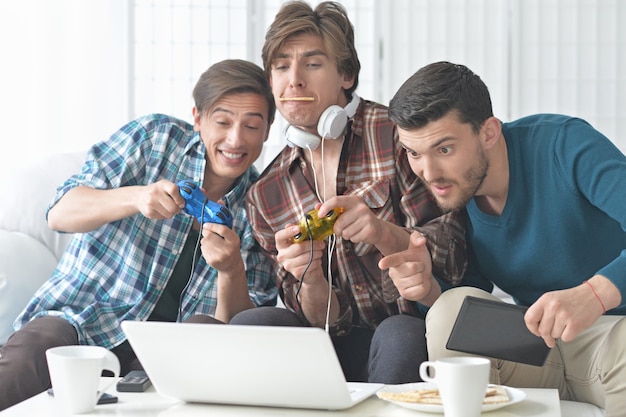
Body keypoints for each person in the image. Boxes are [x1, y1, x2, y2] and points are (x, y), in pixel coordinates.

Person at [0, 59, 278, 411]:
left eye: (252, 126)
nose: (235, 140)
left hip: (171, 353)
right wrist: (136, 196)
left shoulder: (263, 204)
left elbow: (237, 329)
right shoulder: (154, 138)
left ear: (268, 130)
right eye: (222, 122)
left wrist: (231, 269)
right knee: (33, 354)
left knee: (201, 344)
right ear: (198, 118)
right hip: (83, 317)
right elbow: (60, 213)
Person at [231, 1, 466, 384]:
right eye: (281, 66)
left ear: (346, 74)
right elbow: (315, 317)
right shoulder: (266, 193)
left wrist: (380, 232)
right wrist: (310, 280)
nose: (294, 80)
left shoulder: (395, 135)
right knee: (252, 323)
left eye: (312, 63)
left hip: (409, 331)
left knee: (400, 335)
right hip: (333, 342)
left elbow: (454, 254)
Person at [385, 60, 626, 415]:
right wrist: (428, 290)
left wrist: (594, 294)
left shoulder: (564, 144)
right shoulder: (452, 191)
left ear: (488, 133)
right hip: (537, 346)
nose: (429, 172)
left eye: (445, 149)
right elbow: (473, 302)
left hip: (610, 338)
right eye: (414, 153)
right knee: (454, 310)